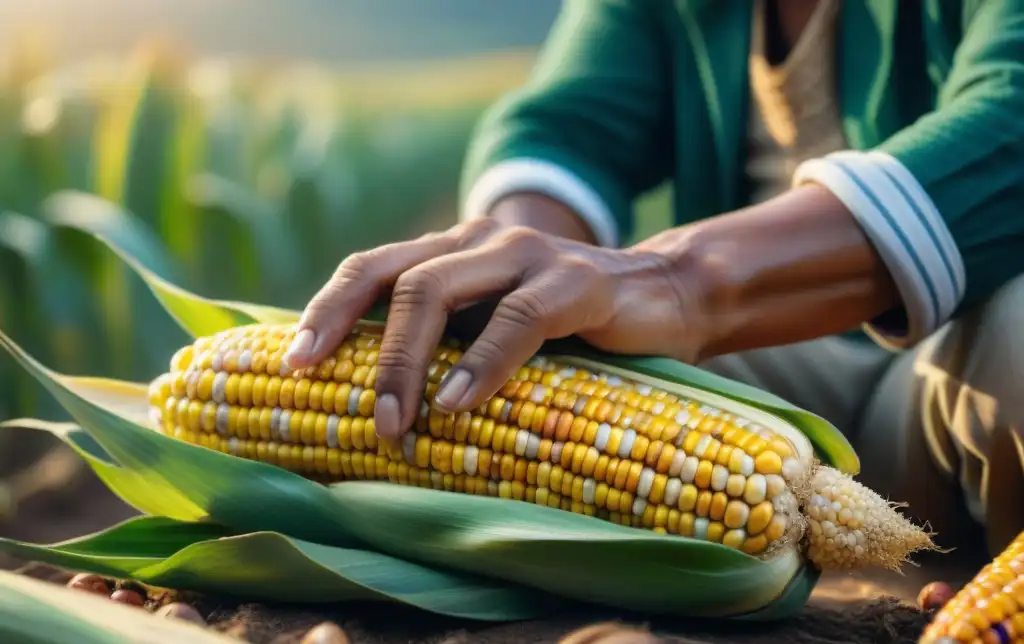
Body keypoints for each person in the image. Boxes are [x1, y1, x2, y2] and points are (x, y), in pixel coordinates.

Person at [283, 0, 1024, 555]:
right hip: (765, 380)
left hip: (955, 364)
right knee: (519, 351)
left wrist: (676, 283)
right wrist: (510, 266)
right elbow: (565, 131)